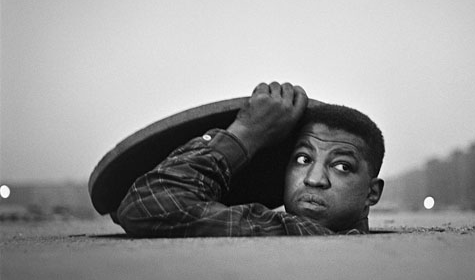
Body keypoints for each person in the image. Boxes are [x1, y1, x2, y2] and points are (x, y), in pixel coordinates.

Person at [116, 82, 385, 237]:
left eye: (342, 166)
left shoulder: (293, 231)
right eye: (303, 159)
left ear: (372, 193)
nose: (314, 179)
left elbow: (145, 206)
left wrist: (246, 132)